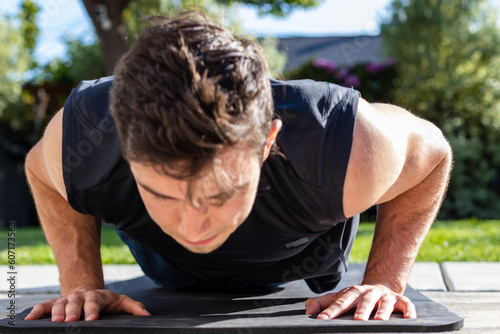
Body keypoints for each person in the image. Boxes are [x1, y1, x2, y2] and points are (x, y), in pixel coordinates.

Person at [24, 13, 452, 323]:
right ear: (128, 153)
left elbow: (432, 154)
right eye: (163, 195)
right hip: (165, 266)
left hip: (305, 257)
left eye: (219, 195)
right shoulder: (84, 136)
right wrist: (80, 284)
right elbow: (40, 172)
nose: (194, 227)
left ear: (268, 141)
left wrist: (385, 281)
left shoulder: (345, 143)